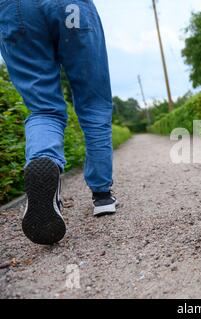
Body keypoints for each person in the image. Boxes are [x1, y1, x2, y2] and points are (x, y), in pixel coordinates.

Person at [0, 0, 117, 245]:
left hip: (17, 8)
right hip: (71, 6)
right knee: (94, 105)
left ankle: (44, 159)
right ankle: (102, 196)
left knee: (44, 108)